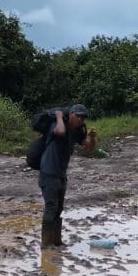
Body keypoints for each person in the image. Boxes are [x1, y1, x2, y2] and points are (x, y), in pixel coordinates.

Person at [39, 104, 96, 248]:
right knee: (51, 207)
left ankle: (56, 241)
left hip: (61, 174)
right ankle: (45, 244)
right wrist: (58, 116)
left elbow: (88, 146)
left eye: (83, 117)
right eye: (78, 116)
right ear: (70, 115)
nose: (81, 119)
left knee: (59, 209)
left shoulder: (76, 131)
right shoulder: (57, 124)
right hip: (48, 173)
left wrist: (91, 136)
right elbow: (59, 132)